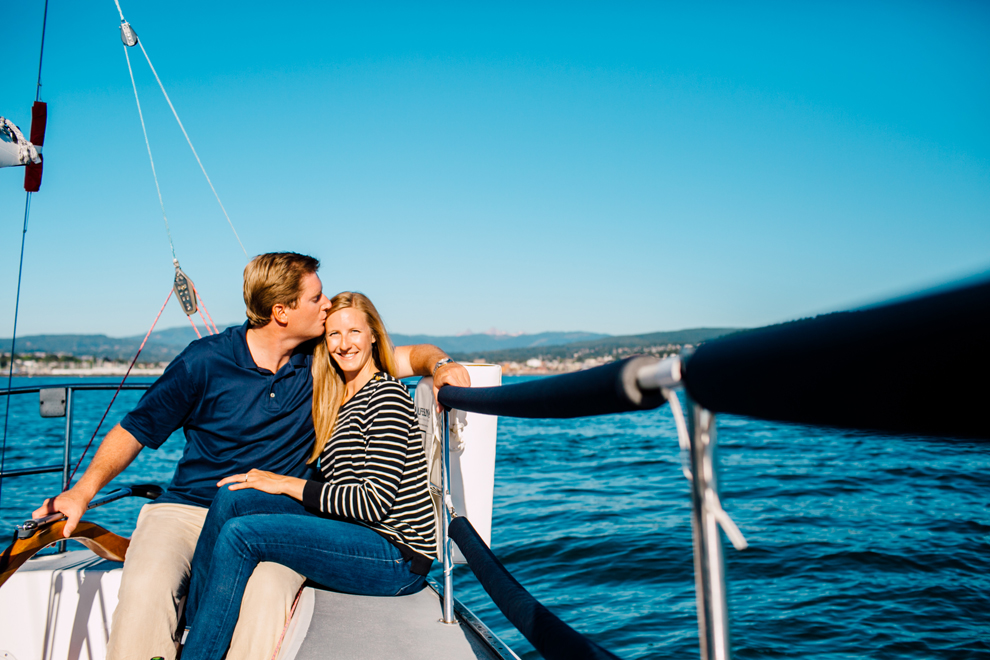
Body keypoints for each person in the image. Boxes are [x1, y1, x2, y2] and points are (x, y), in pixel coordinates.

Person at [32, 253, 468, 660]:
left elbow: (394, 354)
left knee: (265, 589)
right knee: (146, 587)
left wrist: (442, 364)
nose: (327, 305)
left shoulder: (319, 359)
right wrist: (81, 493)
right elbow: (136, 428)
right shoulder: (205, 362)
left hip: (281, 509)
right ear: (282, 311)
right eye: (317, 298)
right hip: (185, 508)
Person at [181, 291, 436, 659]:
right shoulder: (341, 394)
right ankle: (192, 632)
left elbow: (372, 501)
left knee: (243, 536)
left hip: (395, 554)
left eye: (354, 332)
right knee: (231, 497)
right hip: (351, 528)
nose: (344, 344)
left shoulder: (387, 398)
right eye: (334, 334)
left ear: (373, 336)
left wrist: (284, 483)